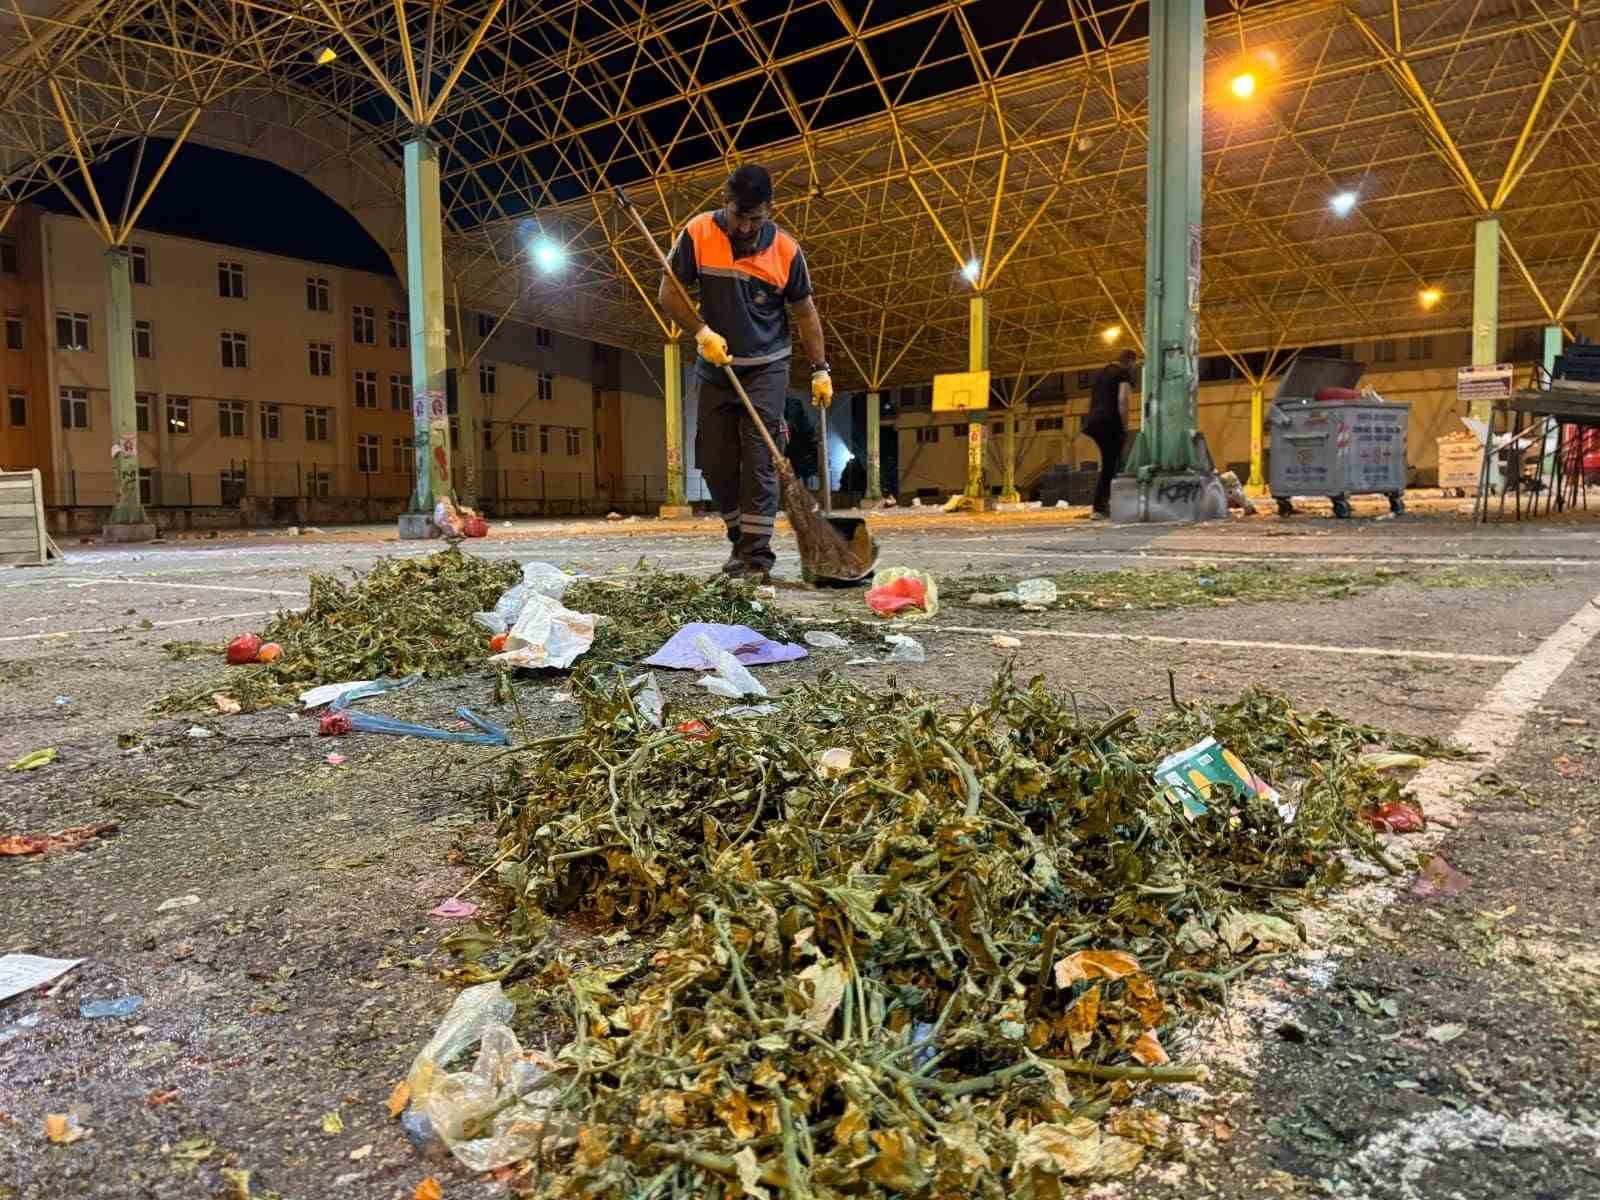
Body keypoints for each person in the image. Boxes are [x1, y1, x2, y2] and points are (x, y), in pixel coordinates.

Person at [660, 164, 832, 580]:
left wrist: (820, 369)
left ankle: (756, 559)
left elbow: (805, 312)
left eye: (756, 218)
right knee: (715, 461)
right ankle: (740, 537)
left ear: (769, 210)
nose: (746, 227)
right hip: (716, 365)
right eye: (740, 216)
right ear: (725, 202)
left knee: (759, 459)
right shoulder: (698, 233)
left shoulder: (787, 251)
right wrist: (701, 333)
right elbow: (668, 293)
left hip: (767, 367)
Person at [1084, 349, 1137, 517]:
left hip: (1093, 422)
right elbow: (1123, 400)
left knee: (1110, 462)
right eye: (1134, 365)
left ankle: (1103, 505)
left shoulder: (1102, 373)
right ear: (1130, 362)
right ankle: (1100, 508)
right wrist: (1125, 426)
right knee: (1111, 465)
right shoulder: (1124, 374)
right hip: (1110, 422)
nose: (1134, 368)